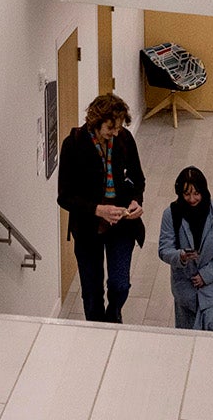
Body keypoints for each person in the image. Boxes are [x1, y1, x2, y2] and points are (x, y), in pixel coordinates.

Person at [57, 93, 146, 324]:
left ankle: (114, 315)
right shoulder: (73, 144)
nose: (115, 133)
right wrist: (98, 210)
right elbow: (65, 197)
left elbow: (138, 179)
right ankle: (97, 334)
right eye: (110, 127)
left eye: (118, 127)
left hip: (123, 225)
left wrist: (137, 201)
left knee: (120, 284)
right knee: (91, 291)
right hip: (88, 228)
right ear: (96, 121)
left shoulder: (125, 139)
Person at [157, 166, 213, 331]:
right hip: (185, 290)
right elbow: (164, 248)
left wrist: (205, 276)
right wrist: (180, 257)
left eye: (196, 193)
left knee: (212, 330)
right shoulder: (170, 214)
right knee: (185, 338)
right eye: (186, 194)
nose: (192, 199)